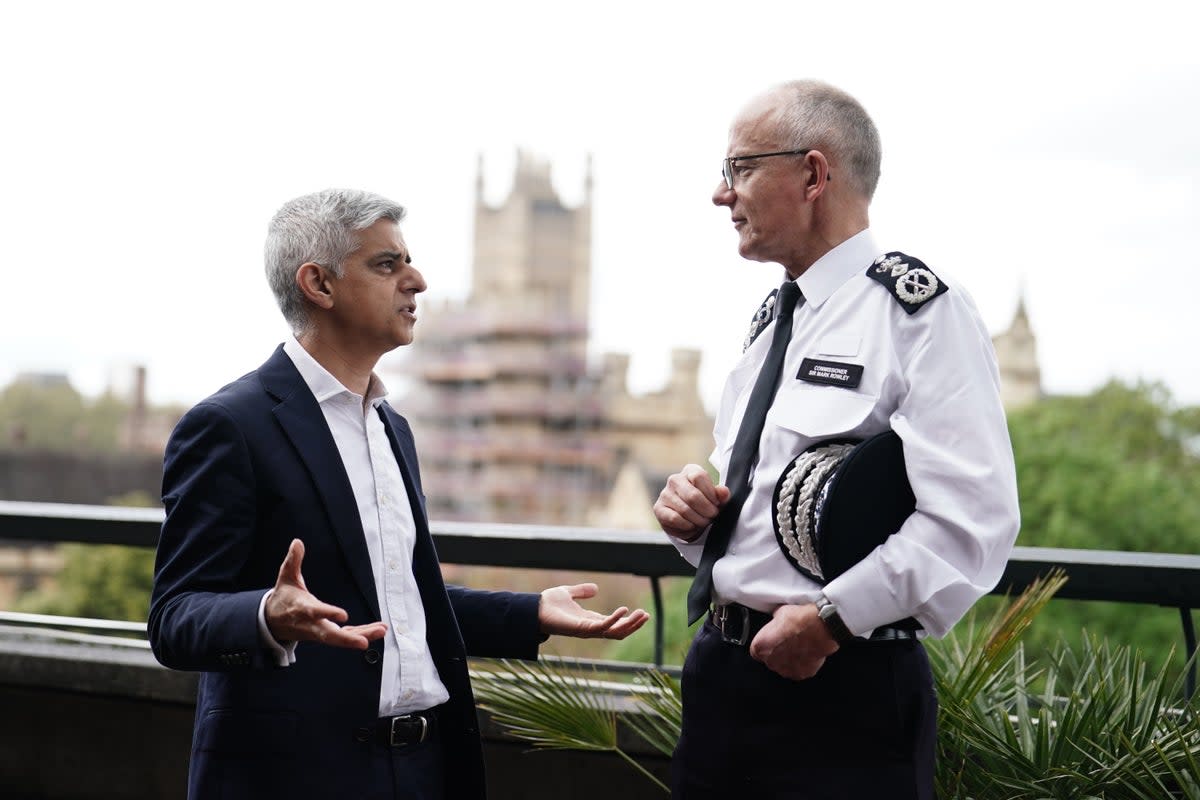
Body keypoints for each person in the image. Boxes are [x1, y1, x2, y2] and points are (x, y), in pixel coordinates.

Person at [148, 188, 648, 800]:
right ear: (318, 284)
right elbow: (174, 618)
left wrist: (530, 612)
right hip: (296, 775)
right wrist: (265, 614)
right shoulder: (229, 426)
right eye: (387, 264)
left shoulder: (392, 427)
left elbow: (401, 601)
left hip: (424, 767)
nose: (418, 281)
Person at [653, 80, 1020, 799]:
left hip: (840, 686)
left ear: (814, 174)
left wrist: (829, 622)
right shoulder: (769, 323)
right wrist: (691, 518)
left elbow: (973, 520)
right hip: (720, 680)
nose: (722, 194)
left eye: (740, 169)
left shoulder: (919, 313)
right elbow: (766, 516)